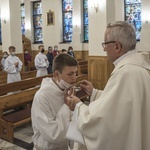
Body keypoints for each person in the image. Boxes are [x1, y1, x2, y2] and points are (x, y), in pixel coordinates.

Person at [64, 21, 150, 150]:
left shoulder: (126, 73)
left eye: (105, 44)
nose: (104, 49)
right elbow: (119, 106)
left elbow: (105, 121)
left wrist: (78, 106)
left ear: (117, 46)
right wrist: (94, 92)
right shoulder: (138, 69)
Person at [31, 53, 78, 150]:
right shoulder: (42, 97)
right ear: (57, 74)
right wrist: (66, 106)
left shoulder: (66, 90)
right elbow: (53, 134)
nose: (74, 78)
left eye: (75, 73)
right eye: (70, 74)